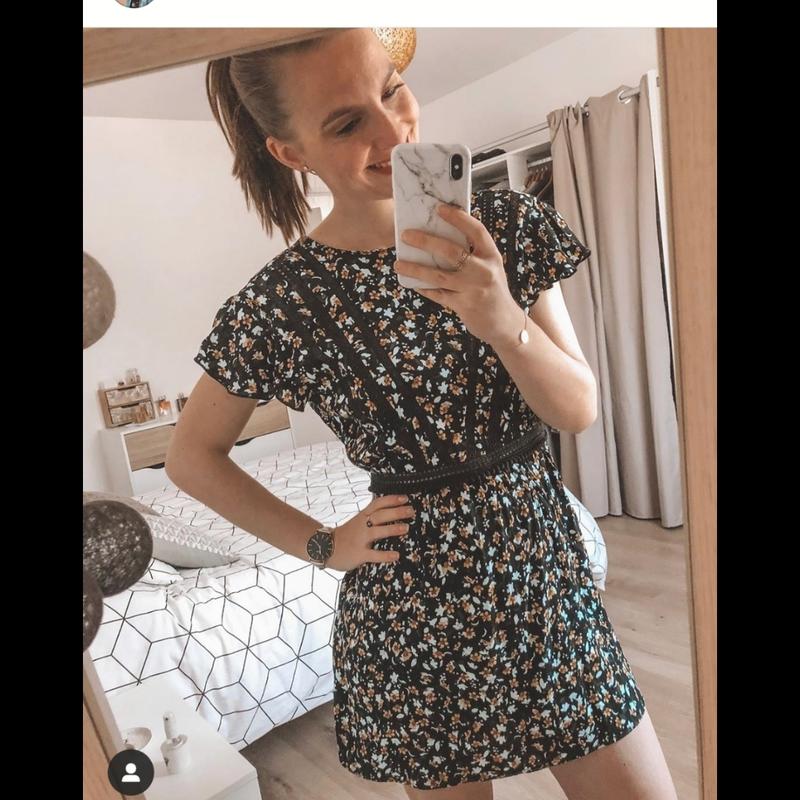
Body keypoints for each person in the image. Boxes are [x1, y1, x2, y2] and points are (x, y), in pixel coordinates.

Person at [165, 28, 679, 800]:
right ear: (291, 152)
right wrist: (321, 543)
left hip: (543, 579)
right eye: (347, 122)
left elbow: (578, 411)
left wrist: (501, 318)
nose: (394, 130)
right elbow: (190, 457)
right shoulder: (283, 302)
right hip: (412, 615)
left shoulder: (505, 225)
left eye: (392, 89)